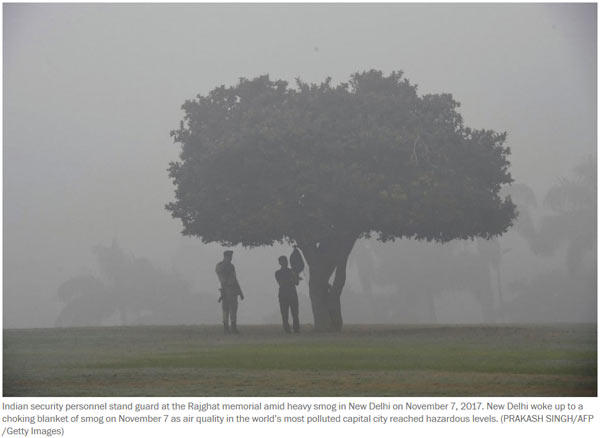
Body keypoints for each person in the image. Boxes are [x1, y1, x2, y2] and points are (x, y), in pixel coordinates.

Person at [215, 250, 244, 334]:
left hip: (233, 289)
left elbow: (235, 279)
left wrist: (240, 292)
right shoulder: (220, 266)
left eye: (231, 257)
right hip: (225, 288)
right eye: (229, 257)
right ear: (225, 256)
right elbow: (222, 279)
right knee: (225, 309)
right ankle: (226, 328)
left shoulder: (231, 266)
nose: (230, 258)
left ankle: (233, 327)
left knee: (233, 309)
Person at [275, 255, 300, 334]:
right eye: (282, 261)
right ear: (279, 263)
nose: (285, 262)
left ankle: (296, 328)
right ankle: (287, 329)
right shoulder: (278, 273)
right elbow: (281, 283)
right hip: (284, 294)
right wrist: (292, 279)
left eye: (285, 261)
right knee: (284, 313)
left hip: (291, 294)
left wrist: (294, 278)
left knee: (295, 312)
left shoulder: (292, 271)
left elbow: (296, 282)